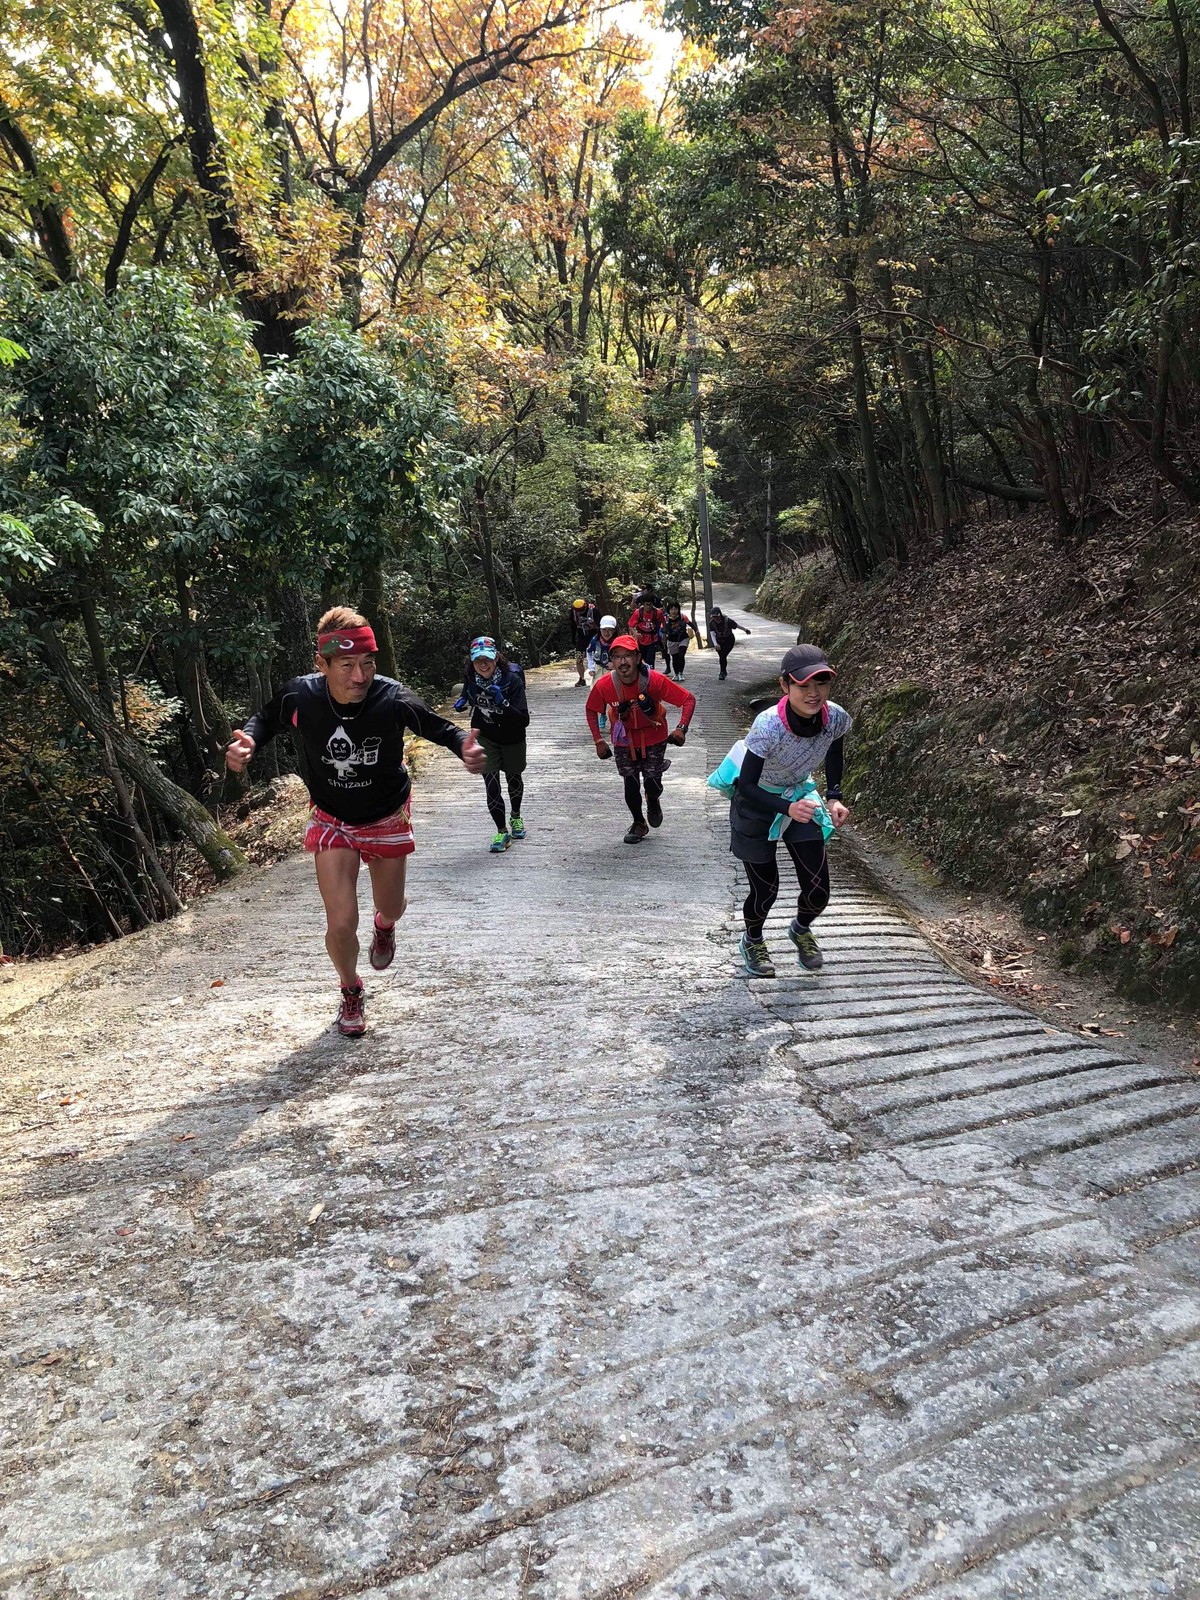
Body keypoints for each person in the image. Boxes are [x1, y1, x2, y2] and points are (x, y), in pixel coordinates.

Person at [225, 608, 486, 1036]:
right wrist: (248, 741)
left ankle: (385, 926)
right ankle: (350, 988)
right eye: (346, 665)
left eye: (367, 663)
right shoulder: (301, 696)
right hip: (333, 818)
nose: (360, 676)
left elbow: (439, 727)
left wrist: (464, 746)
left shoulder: (392, 698)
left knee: (391, 905)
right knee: (342, 922)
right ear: (322, 663)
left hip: (386, 813)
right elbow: (265, 720)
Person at [730, 644, 851, 978]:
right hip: (757, 803)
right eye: (803, 685)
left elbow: (834, 752)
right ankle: (753, 939)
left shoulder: (835, 717)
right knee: (766, 889)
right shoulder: (768, 725)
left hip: (799, 794)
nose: (813, 693)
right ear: (784, 685)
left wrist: (834, 796)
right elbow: (747, 786)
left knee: (818, 889)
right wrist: (787, 808)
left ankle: (801, 929)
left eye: (821, 683)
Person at [586, 635, 695, 843]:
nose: (623, 662)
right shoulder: (605, 685)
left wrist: (681, 728)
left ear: (637, 658)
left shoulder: (655, 680)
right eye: (617, 657)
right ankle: (638, 823)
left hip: (654, 737)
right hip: (624, 740)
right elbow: (591, 709)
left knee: (652, 784)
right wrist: (598, 741)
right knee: (630, 783)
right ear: (611, 661)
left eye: (628, 656)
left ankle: (653, 799)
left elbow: (688, 699)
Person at [454, 636, 530, 852]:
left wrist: (503, 703)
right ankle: (502, 832)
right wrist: (463, 699)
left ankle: (516, 816)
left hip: (512, 736)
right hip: (485, 735)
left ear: (496, 658)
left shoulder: (512, 680)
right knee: (491, 782)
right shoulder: (470, 675)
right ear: (472, 661)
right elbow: (468, 691)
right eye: (478, 661)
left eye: (487, 659)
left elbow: (524, 719)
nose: (483, 665)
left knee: (513, 777)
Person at [707, 607, 752, 680]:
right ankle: (723, 671)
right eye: (714, 617)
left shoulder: (728, 621)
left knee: (723, 655)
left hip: (729, 640)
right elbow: (712, 634)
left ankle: (722, 672)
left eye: (717, 617)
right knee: (721, 657)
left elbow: (737, 626)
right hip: (719, 641)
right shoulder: (711, 623)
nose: (716, 619)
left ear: (720, 615)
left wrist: (745, 630)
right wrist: (715, 644)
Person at [661, 601, 698, 679]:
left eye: (675, 609)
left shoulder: (683, 617)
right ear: (669, 610)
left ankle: (681, 673)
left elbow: (690, 624)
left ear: (678, 609)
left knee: (681, 655)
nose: (673, 611)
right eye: (671, 609)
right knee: (675, 657)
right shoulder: (665, 619)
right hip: (671, 640)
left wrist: (696, 630)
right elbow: (662, 629)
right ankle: (676, 674)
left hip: (683, 638)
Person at [629, 594, 666, 669]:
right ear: (643, 604)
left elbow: (663, 622)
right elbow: (630, 625)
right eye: (646, 604)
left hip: (652, 639)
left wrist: (664, 633)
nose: (648, 607)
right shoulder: (638, 613)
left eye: (650, 604)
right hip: (640, 640)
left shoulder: (658, 613)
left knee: (650, 661)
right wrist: (635, 633)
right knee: (640, 660)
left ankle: (650, 674)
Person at [570, 597, 599, 687]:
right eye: (578, 611)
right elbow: (573, 625)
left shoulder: (593, 610)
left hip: (593, 635)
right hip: (581, 636)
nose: (579, 613)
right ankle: (581, 678)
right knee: (579, 657)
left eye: (581, 610)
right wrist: (573, 637)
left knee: (596, 656)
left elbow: (599, 624)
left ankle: (597, 677)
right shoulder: (573, 612)